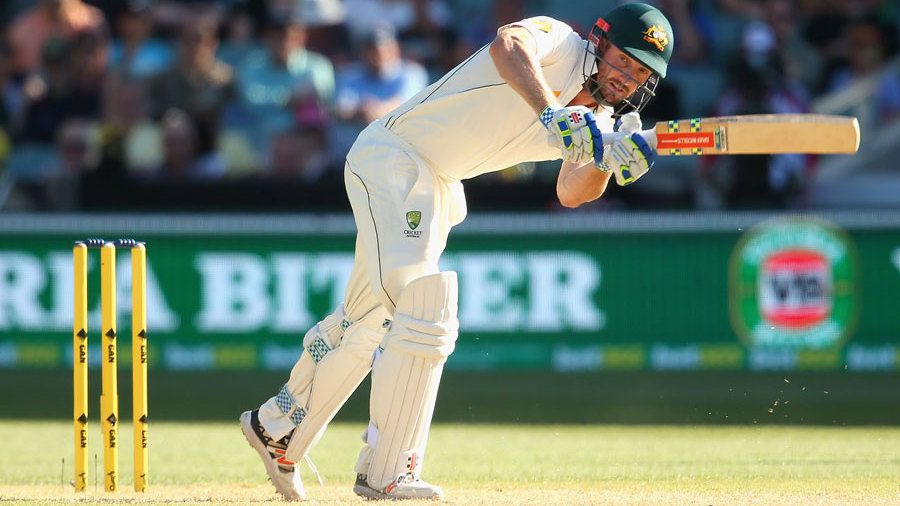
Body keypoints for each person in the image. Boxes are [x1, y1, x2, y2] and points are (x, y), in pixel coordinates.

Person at [240, 3, 673, 501]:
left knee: (368, 319)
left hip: (437, 185)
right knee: (424, 308)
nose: (627, 76)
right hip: (395, 158)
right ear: (600, 40)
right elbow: (507, 46)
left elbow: (572, 192)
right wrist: (552, 114)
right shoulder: (558, 40)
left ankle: (277, 427)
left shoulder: (598, 118)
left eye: (641, 72)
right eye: (625, 59)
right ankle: (386, 473)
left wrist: (610, 161)